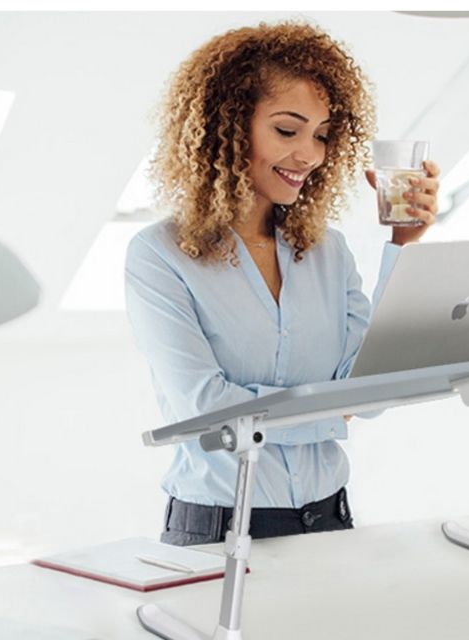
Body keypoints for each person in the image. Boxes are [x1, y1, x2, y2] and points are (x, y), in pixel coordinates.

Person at [124, 21, 441, 546]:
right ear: (226, 126)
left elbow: (370, 389)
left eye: (321, 135)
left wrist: (404, 243)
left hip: (330, 519)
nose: (310, 156)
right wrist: (330, 411)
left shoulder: (327, 251)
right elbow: (208, 412)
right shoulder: (159, 256)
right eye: (287, 131)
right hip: (219, 529)